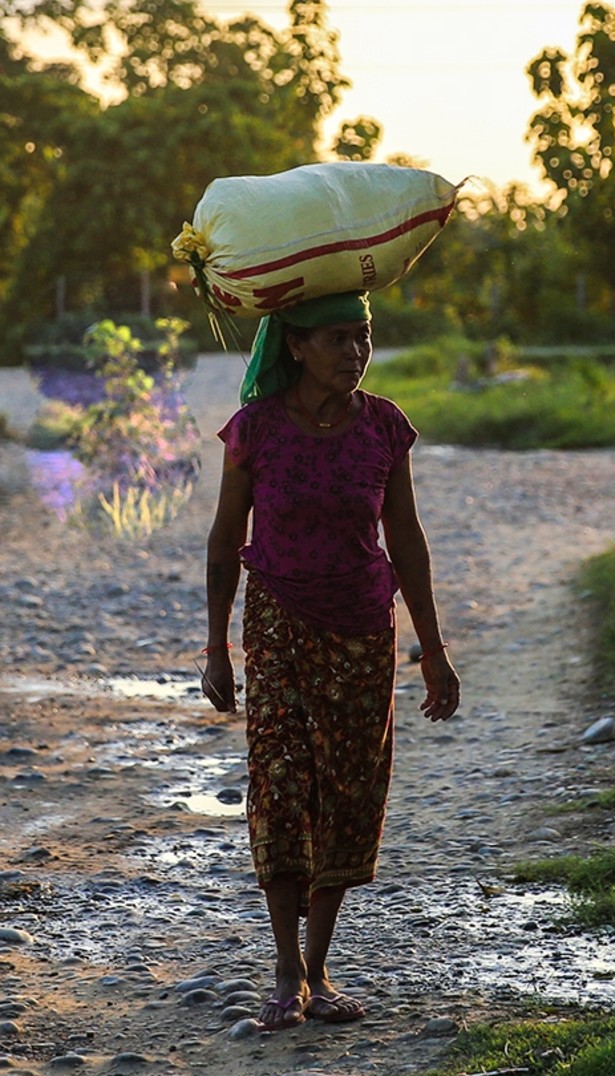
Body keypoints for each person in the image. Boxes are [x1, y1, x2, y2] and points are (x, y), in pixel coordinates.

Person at [200, 291, 459, 1032]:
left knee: (347, 788)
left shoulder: (384, 425)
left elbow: (406, 541)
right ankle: (285, 967)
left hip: (361, 634)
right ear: (295, 346)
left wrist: (433, 650)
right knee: (282, 784)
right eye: (338, 338)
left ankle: (318, 967)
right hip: (278, 625)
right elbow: (225, 542)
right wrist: (217, 646)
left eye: (363, 336)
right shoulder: (254, 432)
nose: (354, 351)